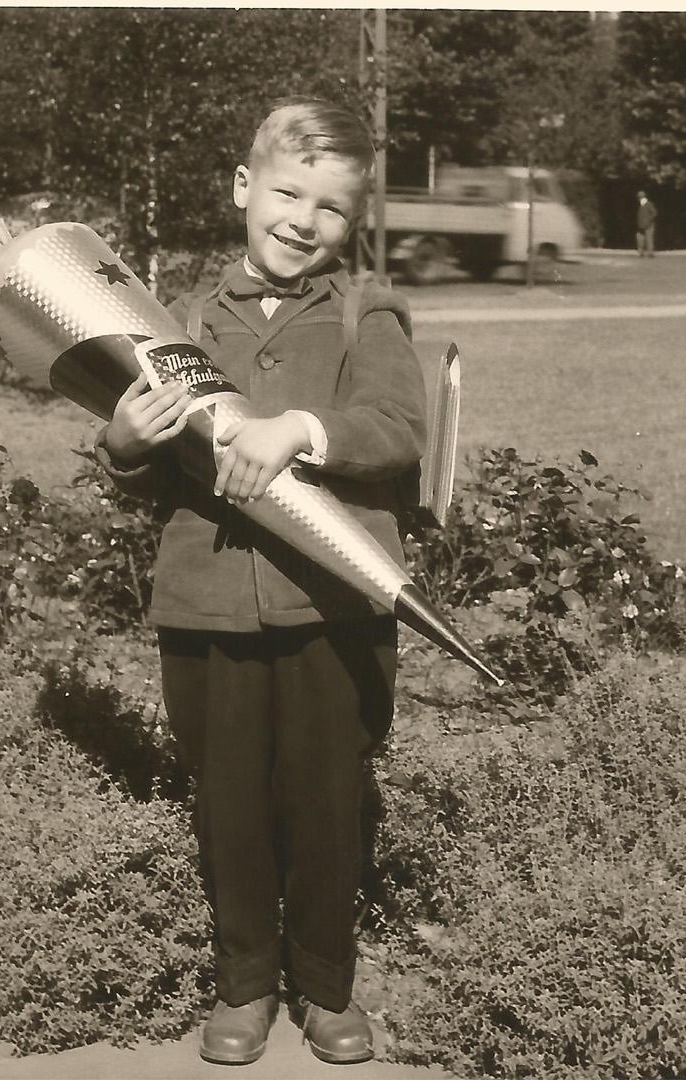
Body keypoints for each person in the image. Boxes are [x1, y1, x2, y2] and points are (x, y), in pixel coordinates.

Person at [92, 96, 426, 1067]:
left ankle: (325, 988)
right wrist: (122, 443)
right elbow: (150, 468)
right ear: (244, 188)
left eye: (328, 207)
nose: (301, 220)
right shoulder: (181, 318)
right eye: (286, 193)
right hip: (206, 605)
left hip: (333, 607)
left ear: (352, 222)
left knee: (326, 802)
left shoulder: (368, 311)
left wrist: (302, 432)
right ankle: (245, 984)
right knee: (229, 803)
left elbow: (399, 430)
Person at [636, 189, 658, 257]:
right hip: (642, 226)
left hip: (649, 226)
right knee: (640, 239)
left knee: (649, 239)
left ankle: (650, 253)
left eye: (640, 197)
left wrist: (648, 221)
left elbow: (654, 213)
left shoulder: (648, 204)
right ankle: (641, 253)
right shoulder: (641, 205)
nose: (639, 198)